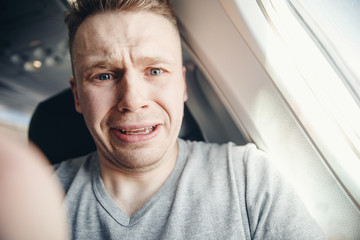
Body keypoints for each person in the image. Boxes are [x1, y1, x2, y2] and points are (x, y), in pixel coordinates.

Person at [0, 0, 326, 239]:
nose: (132, 100)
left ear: (182, 84)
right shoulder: (30, 199)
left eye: (155, 71)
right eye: (103, 75)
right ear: (76, 97)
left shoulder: (249, 179)